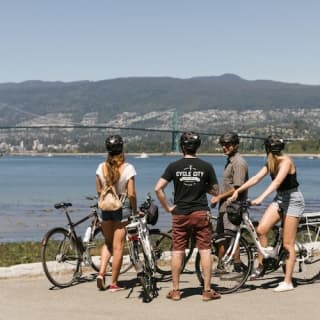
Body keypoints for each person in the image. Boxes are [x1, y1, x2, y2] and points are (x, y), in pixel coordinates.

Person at [229, 135, 305, 292]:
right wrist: (238, 190)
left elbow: (277, 182)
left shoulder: (286, 162)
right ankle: (262, 265)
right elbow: (256, 178)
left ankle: (288, 282)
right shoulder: (271, 162)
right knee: (261, 230)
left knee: (287, 243)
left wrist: (261, 198)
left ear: (267, 149)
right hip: (280, 198)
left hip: (293, 200)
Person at [155, 131, 221, 301]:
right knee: (205, 250)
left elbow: (158, 189)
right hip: (200, 212)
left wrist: (168, 207)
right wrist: (201, 187)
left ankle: (176, 291)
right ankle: (207, 290)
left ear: (182, 147)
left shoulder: (173, 166)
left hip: (180, 214)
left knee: (177, 251)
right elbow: (215, 191)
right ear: (197, 147)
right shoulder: (206, 166)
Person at [96, 134, 138, 292]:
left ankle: (101, 273)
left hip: (105, 207)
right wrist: (135, 210)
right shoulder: (128, 168)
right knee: (118, 246)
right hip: (123, 208)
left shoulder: (100, 167)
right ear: (122, 149)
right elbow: (132, 194)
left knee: (108, 242)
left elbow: (99, 190)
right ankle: (113, 283)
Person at [211, 132, 248, 273]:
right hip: (224, 205)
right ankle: (221, 265)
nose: (224, 147)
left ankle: (237, 265)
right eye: (223, 145)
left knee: (231, 235)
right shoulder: (230, 160)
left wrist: (219, 197)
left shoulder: (239, 163)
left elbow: (237, 188)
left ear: (236, 145)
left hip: (233, 206)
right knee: (221, 237)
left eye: (228, 145)